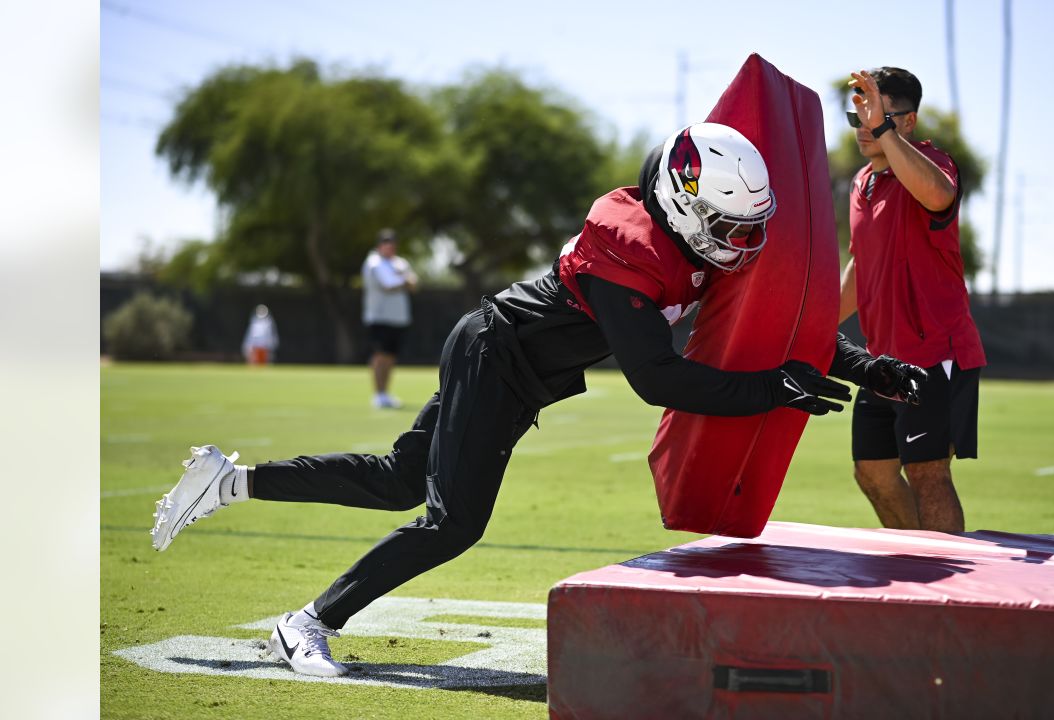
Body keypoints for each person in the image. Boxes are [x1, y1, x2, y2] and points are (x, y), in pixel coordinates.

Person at [149, 123, 926, 677]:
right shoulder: (627, 248)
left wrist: (869, 367)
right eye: (726, 224)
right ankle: (308, 623)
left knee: (394, 479)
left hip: (513, 364)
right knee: (453, 523)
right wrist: (769, 390)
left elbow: (765, 328)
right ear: (684, 201)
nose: (740, 242)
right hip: (495, 353)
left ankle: (230, 480)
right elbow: (659, 379)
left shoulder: (688, 243)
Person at [841, 67, 986, 533]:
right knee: (874, 472)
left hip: (935, 355)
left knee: (927, 472)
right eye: (858, 115)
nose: (865, 126)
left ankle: (950, 597)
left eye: (877, 115)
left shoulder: (932, 162)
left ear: (907, 121)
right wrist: (815, 322)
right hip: (882, 359)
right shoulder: (861, 183)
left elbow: (939, 195)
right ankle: (916, 571)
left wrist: (883, 127)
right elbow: (860, 266)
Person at [362, 229, 418, 409]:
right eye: (386, 243)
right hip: (379, 317)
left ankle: (385, 393)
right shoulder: (374, 263)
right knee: (380, 355)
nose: (390, 246)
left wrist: (403, 279)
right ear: (380, 245)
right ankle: (378, 394)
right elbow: (388, 285)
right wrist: (404, 279)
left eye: (392, 243)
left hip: (398, 318)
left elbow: (414, 284)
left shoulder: (400, 262)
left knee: (391, 356)